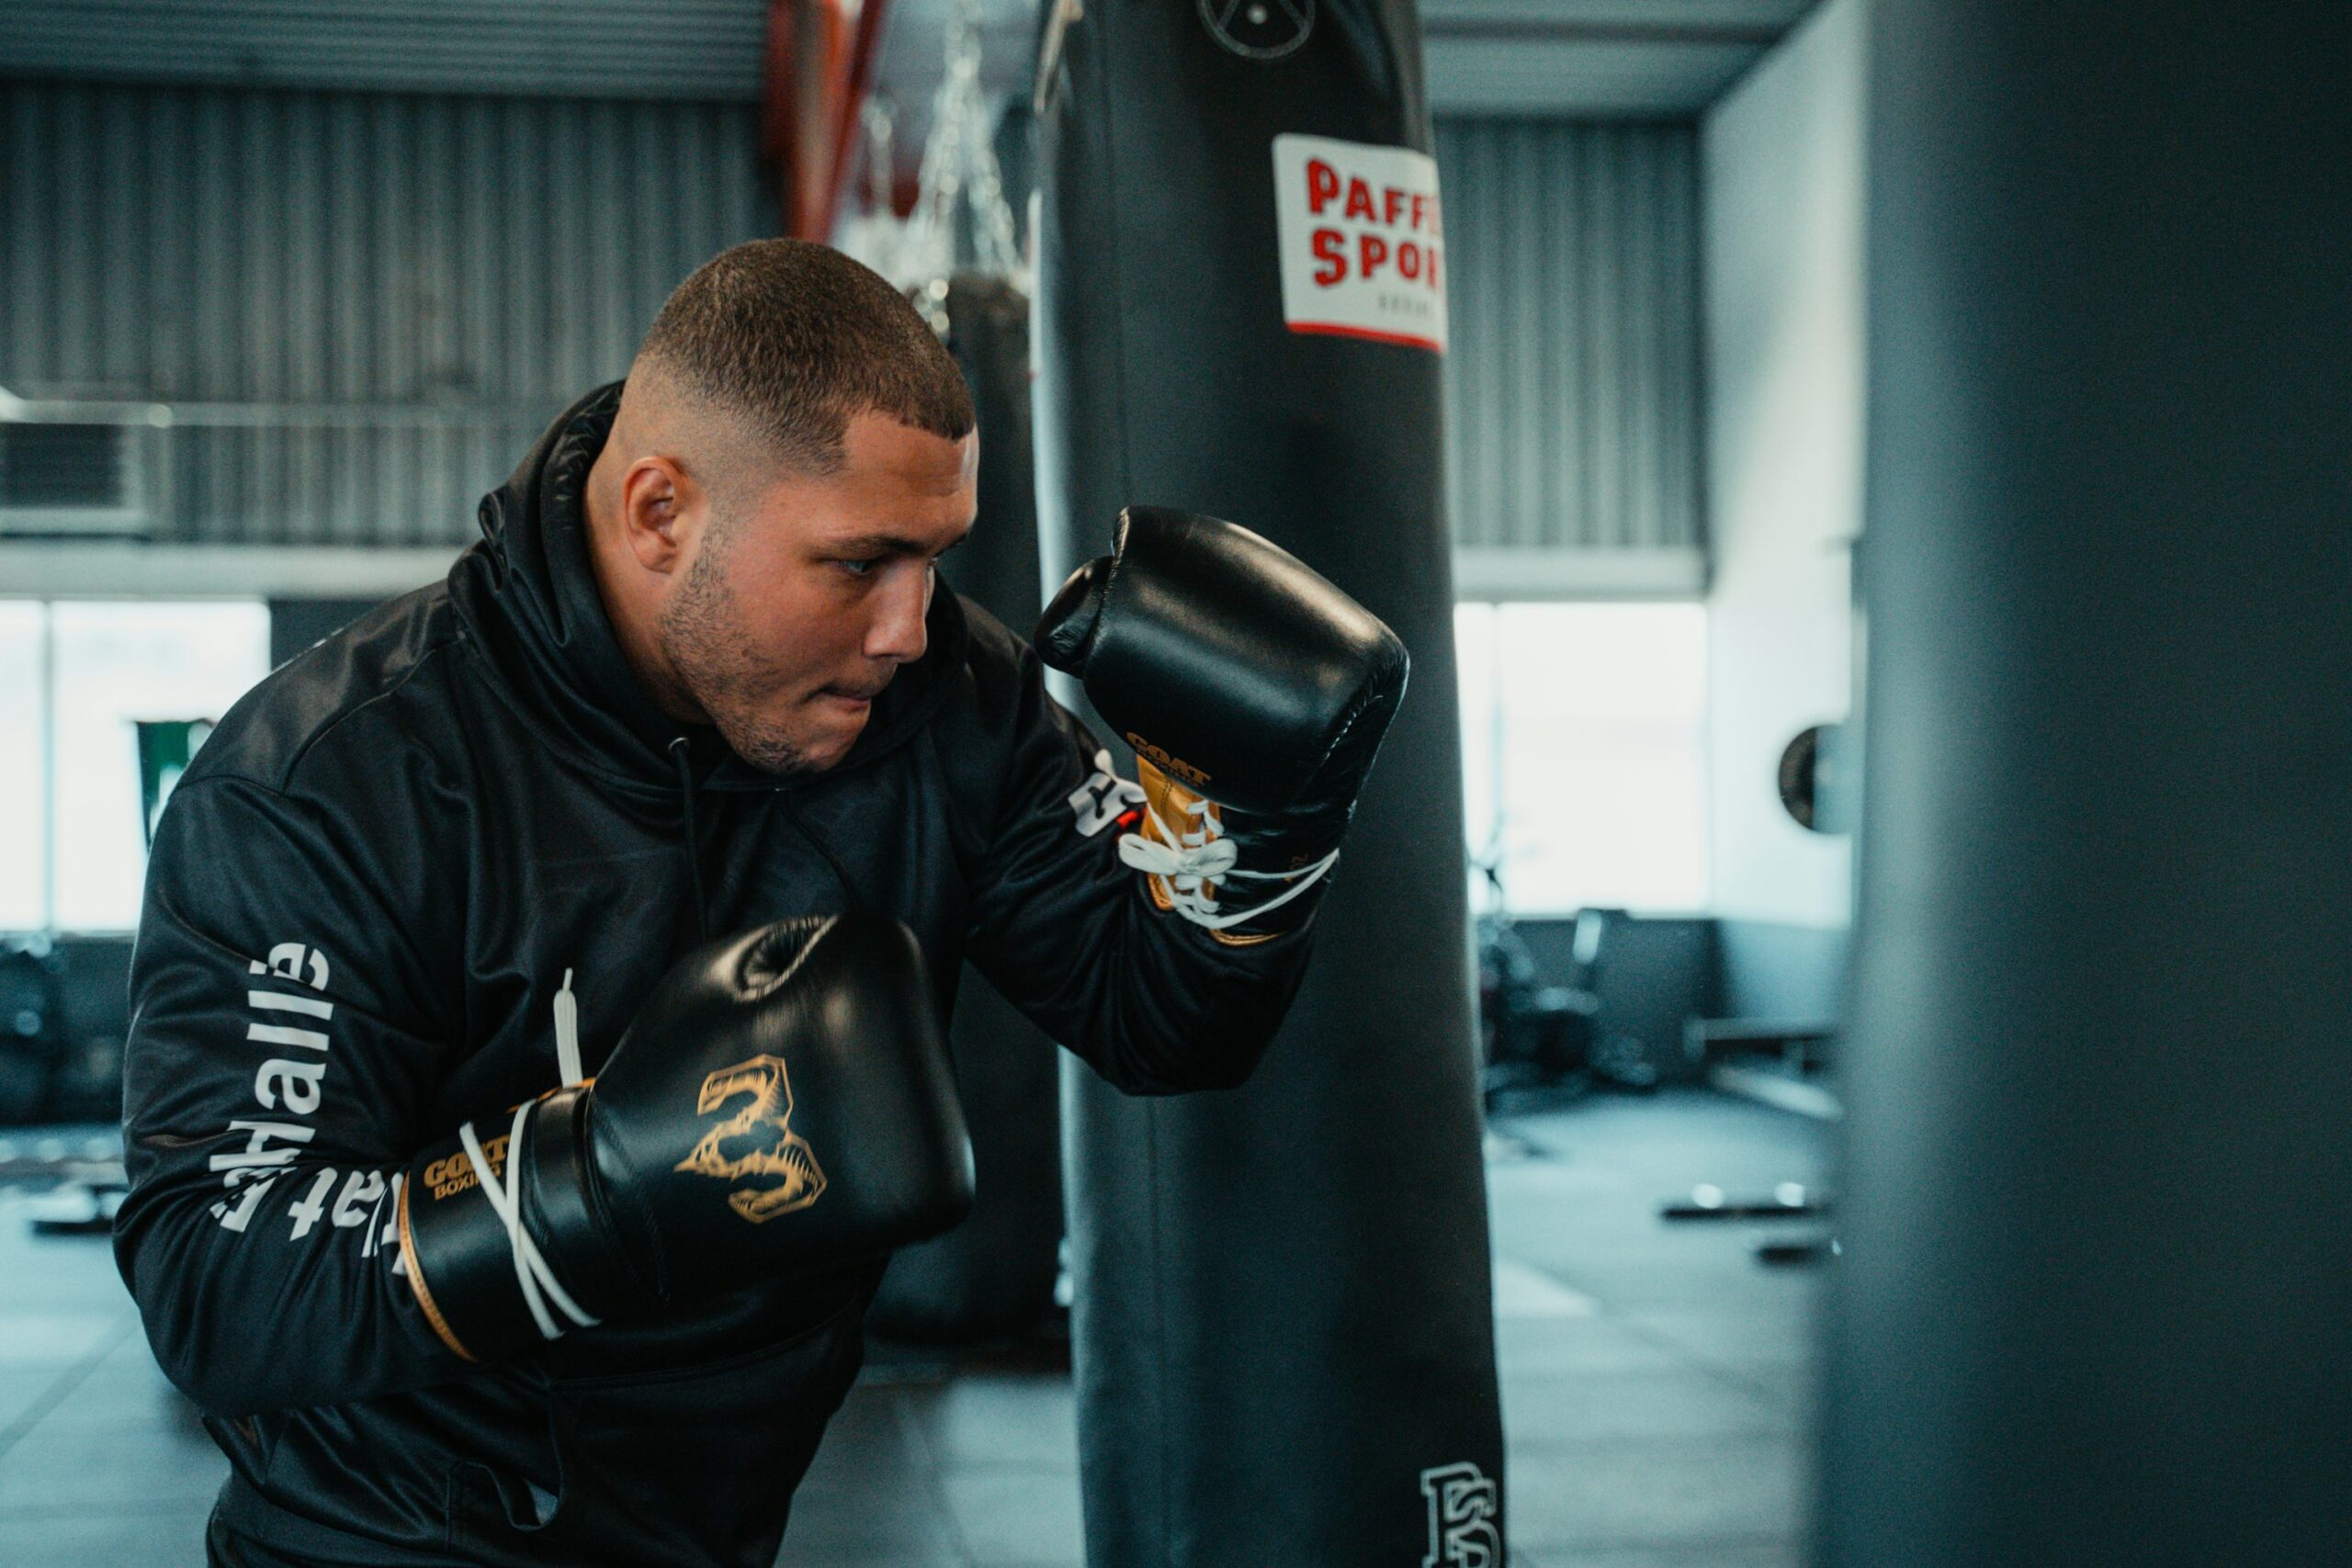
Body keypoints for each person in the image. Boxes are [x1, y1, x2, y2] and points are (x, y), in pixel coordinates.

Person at [113, 239, 1407, 1568]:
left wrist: (1260, 831)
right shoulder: (330, 781)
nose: (911, 625)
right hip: (385, 1543)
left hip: (725, 1522)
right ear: (660, 511)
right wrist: (598, 1182)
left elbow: (1169, 1021)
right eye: (859, 562)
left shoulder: (949, 706)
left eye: (937, 558)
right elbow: (220, 1272)